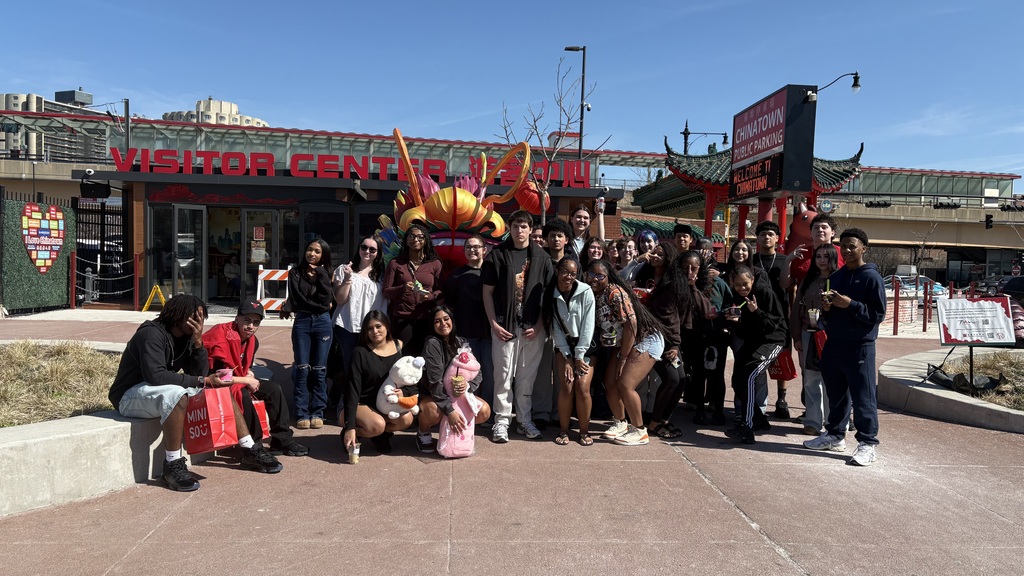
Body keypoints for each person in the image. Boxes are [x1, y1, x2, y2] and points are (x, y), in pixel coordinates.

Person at [108, 295, 281, 492]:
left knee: (219, 388)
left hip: (156, 392)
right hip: (129, 395)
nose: (199, 323)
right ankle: (172, 464)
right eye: (195, 318)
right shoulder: (150, 334)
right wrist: (203, 380)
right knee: (175, 394)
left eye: (201, 318)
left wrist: (198, 343)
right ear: (178, 316)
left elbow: (199, 373)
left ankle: (249, 448)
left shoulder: (187, 337)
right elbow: (155, 376)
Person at [803, 228, 886, 466]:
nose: (848, 250)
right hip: (834, 343)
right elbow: (829, 312)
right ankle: (835, 435)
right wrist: (827, 309)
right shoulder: (837, 277)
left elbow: (878, 314)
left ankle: (867, 443)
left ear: (863, 249)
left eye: (853, 246)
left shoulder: (871, 277)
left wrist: (851, 304)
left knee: (863, 396)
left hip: (860, 346)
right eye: (845, 246)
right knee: (836, 394)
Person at [482, 209, 554, 442]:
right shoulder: (498, 254)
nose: (519, 231)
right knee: (503, 375)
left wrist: (540, 324)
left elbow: (549, 297)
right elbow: (487, 292)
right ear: (509, 228)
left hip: (533, 328)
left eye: (524, 226)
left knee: (526, 377)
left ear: (531, 229)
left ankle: (524, 420)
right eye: (515, 226)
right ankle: (502, 421)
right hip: (504, 326)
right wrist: (493, 323)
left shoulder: (542, 258)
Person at [203, 300, 309, 457]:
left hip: (234, 380)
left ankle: (282, 441)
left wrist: (249, 374)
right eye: (247, 320)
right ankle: (254, 446)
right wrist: (247, 380)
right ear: (237, 318)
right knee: (243, 394)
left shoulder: (253, 341)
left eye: (256, 322)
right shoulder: (221, 337)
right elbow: (218, 377)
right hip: (210, 383)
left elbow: (242, 367)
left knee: (274, 389)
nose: (251, 326)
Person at [589, 259, 665, 446]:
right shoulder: (594, 294)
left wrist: (623, 357)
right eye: (591, 274)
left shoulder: (615, 293)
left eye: (600, 276)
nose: (594, 279)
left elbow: (631, 325)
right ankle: (620, 422)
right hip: (623, 342)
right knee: (610, 382)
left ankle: (639, 430)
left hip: (645, 339)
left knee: (625, 384)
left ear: (609, 277)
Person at [723, 265, 787, 445]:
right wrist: (734, 321)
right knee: (738, 380)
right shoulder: (737, 297)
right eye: (737, 284)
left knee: (750, 375)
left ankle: (747, 427)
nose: (742, 288)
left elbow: (774, 325)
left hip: (772, 341)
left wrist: (756, 311)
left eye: (745, 284)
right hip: (753, 341)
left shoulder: (765, 293)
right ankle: (759, 419)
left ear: (752, 280)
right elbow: (744, 329)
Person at [415, 305, 493, 452]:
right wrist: (450, 411)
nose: (443, 324)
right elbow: (435, 382)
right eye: (437, 321)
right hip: (433, 395)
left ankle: (461, 435)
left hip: (458, 395)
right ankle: (422, 432)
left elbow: (478, 372)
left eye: (446, 319)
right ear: (432, 325)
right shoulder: (432, 343)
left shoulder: (461, 342)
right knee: (433, 411)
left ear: (452, 320)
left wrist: (467, 385)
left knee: (484, 411)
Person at [342, 310, 415, 454]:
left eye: (378, 326)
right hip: (362, 403)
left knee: (407, 419)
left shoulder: (399, 346)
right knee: (378, 425)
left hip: (387, 403)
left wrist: (404, 392)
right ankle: (352, 434)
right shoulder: (360, 352)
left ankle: (381, 436)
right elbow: (352, 389)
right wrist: (350, 426)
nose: (375, 331)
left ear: (387, 326)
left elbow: (412, 378)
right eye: (370, 328)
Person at [329, 235, 385, 415]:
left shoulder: (382, 275)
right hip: (347, 326)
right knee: (350, 368)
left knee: (369, 369)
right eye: (364, 247)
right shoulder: (345, 269)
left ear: (378, 253)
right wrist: (347, 278)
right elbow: (340, 299)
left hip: (372, 330)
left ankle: (365, 405)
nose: (367, 251)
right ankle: (345, 408)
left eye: (372, 249)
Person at [282, 237, 334, 430]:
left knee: (320, 369)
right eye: (310, 249)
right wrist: (321, 306)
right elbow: (299, 300)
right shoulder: (295, 273)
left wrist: (321, 274)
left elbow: (326, 297)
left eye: (317, 251)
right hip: (302, 321)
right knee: (302, 368)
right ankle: (301, 412)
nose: (312, 254)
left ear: (324, 255)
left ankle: (318, 411)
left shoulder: (326, 273)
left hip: (323, 323)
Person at [544, 256, 597, 446]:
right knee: (567, 386)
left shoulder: (586, 292)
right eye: (565, 272)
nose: (568, 276)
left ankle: (584, 431)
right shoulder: (551, 294)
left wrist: (579, 356)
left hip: (585, 346)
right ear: (557, 271)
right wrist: (568, 357)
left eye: (573, 273)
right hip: (564, 347)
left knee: (582, 387)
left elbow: (588, 326)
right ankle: (564, 430)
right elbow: (555, 329)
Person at [443, 235, 493, 421]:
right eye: (469, 247)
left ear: (484, 250)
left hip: (489, 333)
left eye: (476, 247)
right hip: (466, 334)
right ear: (464, 251)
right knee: (468, 375)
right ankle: (468, 411)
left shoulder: (492, 272)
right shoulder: (456, 275)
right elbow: (449, 304)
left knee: (489, 374)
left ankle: (486, 413)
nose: (472, 250)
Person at [791, 244, 839, 436]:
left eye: (826, 256)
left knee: (831, 379)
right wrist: (796, 336)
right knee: (811, 378)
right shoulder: (808, 280)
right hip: (809, 333)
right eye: (818, 256)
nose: (822, 260)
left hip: (832, 335)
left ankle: (832, 422)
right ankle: (812, 421)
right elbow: (797, 307)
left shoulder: (840, 279)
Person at [382, 223, 443, 355]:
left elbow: (441, 291)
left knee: (426, 356)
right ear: (406, 240)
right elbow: (386, 291)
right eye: (412, 236)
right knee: (406, 358)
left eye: (420, 237)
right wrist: (402, 288)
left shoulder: (435, 263)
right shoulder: (395, 263)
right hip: (402, 318)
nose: (416, 239)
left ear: (426, 240)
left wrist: (430, 296)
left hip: (427, 318)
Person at [753, 221, 793, 420]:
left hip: (781, 318)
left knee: (782, 359)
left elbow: (792, 290)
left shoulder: (786, 261)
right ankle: (758, 401)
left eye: (770, 234)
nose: (766, 237)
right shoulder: (751, 260)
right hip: (757, 317)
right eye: (762, 234)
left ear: (777, 238)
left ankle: (781, 400)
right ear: (757, 238)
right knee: (758, 359)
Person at [781, 213, 844, 291]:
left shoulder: (843, 253)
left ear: (833, 233)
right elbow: (785, 284)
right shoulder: (800, 254)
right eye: (816, 227)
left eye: (824, 227)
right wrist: (788, 260)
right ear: (811, 233)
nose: (820, 230)